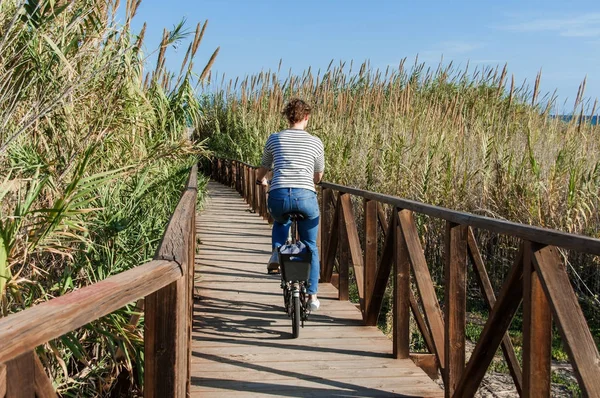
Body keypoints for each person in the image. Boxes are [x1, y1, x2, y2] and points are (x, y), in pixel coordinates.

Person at [256, 98, 324, 311]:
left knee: (280, 219)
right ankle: (312, 296)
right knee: (311, 246)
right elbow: (318, 176)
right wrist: (310, 180)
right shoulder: (315, 142)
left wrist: (261, 180)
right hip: (305, 197)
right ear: (307, 117)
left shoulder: (274, 139)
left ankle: (277, 250)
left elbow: (264, 166)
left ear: (287, 117)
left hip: (278, 195)